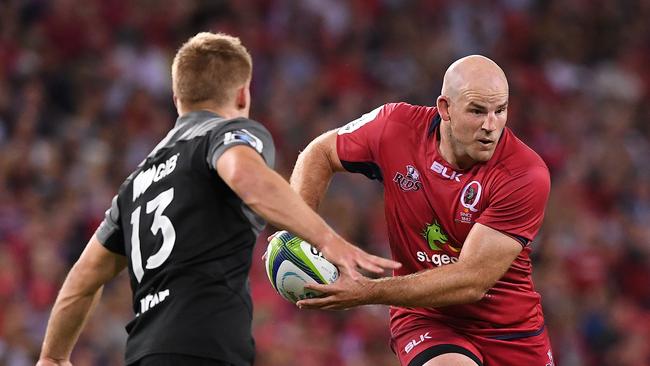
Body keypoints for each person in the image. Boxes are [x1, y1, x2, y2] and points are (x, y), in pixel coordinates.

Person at [36, 32, 400, 366]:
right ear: (243, 94)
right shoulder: (227, 132)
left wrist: (52, 357)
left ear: (178, 98)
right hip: (207, 345)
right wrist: (327, 239)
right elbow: (244, 175)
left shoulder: (136, 183)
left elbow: (83, 278)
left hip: (146, 352)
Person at [290, 55, 554, 366]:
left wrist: (368, 291)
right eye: (477, 111)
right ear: (445, 108)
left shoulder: (524, 174)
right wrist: (298, 231)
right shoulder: (394, 127)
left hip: (510, 331)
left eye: (501, 111)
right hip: (427, 319)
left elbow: (472, 280)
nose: (490, 126)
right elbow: (319, 152)